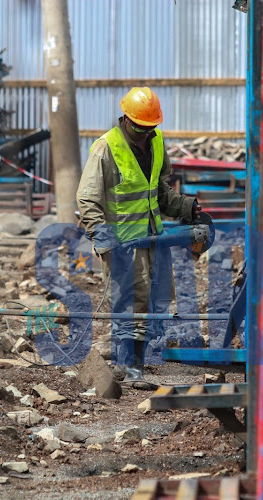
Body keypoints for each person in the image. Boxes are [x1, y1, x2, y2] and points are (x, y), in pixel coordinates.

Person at [77, 87, 201, 386]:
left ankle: (136, 358)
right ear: (126, 119)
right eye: (140, 128)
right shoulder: (106, 148)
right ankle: (130, 367)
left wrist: (186, 207)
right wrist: (102, 238)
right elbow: (86, 200)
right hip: (123, 243)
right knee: (130, 303)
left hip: (153, 238)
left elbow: (157, 192)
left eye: (150, 128)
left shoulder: (156, 143)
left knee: (155, 300)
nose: (145, 133)